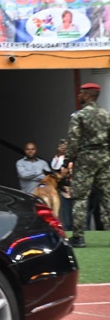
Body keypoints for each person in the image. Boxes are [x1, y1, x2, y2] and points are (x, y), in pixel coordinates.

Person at [66, 83, 110, 248]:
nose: (79, 95)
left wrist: (67, 161)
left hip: (85, 159)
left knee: (80, 197)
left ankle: (78, 238)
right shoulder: (106, 115)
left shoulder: (79, 116)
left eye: (81, 93)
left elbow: (73, 141)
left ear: (87, 95)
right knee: (107, 197)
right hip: (104, 159)